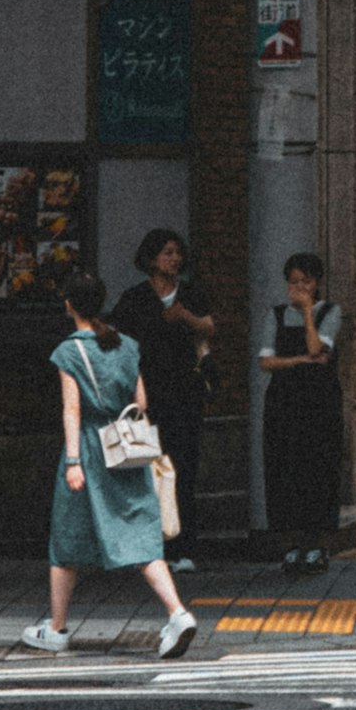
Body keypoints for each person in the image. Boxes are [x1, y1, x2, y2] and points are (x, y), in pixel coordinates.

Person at [30, 271, 200, 658]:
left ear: (69, 304)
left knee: (67, 539)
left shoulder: (70, 351)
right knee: (142, 536)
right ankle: (177, 613)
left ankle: (56, 628)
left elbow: (71, 411)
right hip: (127, 449)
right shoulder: (126, 345)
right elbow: (141, 401)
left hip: (89, 449)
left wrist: (73, 460)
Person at [109, 228, 216, 574]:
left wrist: (183, 317)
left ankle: (182, 545)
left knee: (182, 469)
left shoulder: (190, 295)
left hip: (185, 393)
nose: (174, 258)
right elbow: (122, 341)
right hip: (147, 395)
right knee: (146, 471)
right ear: (151, 258)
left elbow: (209, 327)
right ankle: (150, 545)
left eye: (177, 253)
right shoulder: (135, 298)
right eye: (167, 253)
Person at [258, 251, 345, 573]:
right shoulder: (276, 314)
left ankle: (317, 544)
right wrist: (298, 362)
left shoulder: (331, 312)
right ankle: (290, 544)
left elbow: (316, 348)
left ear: (317, 282)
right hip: (283, 403)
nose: (298, 288)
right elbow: (266, 361)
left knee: (319, 468)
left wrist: (308, 313)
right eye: (293, 282)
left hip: (320, 404)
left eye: (305, 281)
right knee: (284, 469)